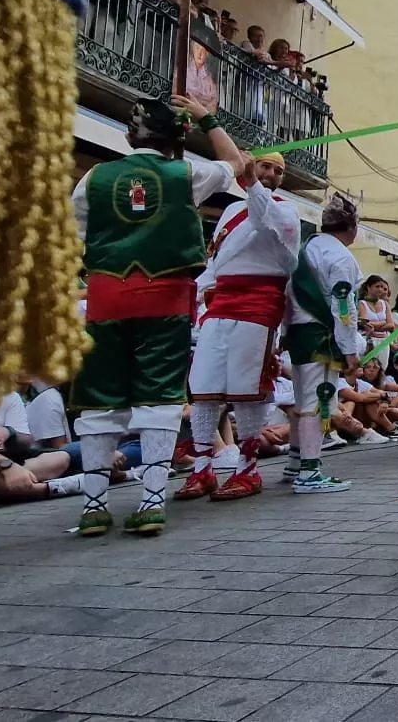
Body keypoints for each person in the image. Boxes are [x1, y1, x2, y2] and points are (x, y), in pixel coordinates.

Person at [67, 94, 243, 537]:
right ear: (177, 137)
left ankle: (93, 507)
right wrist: (208, 117)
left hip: (106, 299)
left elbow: (75, 238)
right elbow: (236, 162)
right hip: (164, 299)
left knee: (100, 397)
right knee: (159, 396)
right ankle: (150, 501)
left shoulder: (95, 176)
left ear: (130, 136)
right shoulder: (186, 173)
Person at [178, 150, 300, 503]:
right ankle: (203, 468)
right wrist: (191, 299)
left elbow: (266, 222)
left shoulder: (283, 209)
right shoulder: (231, 211)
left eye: (278, 171)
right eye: (265, 166)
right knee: (203, 387)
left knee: (247, 388)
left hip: (259, 305)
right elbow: (215, 262)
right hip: (220, 304)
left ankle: (247, 469)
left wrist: (250, 181)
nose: (271, 174)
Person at [278, 193, 366, 492]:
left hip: (297, 333)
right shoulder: (340, 257)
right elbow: (344, 309)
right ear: (352, 227)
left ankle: (295, 462)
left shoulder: (306, 248)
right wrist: (350, 351)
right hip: (321, 336)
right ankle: (309, 472)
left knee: (303, 400)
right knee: (318, 402)